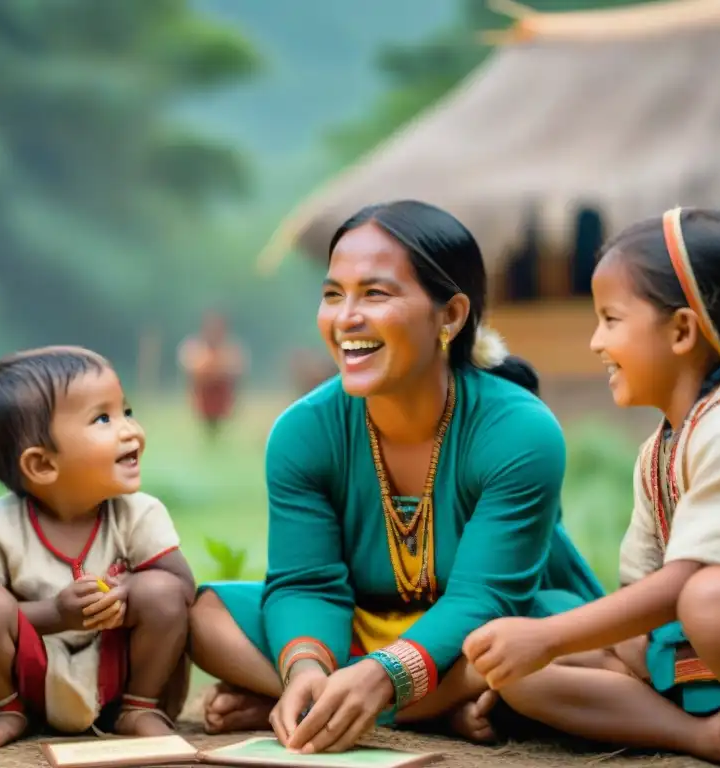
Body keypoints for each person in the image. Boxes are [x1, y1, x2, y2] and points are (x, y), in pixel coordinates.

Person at [189, 199, 605, 754]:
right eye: (333, 294)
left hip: (480, 633)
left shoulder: (519, 431)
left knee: (550, 648)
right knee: (207, 617)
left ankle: (356, 705)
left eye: (375, 293)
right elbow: (307, 583)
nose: (345, 318)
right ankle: (386, 704)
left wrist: (384, 675)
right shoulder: (303, 432)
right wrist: (305, 667)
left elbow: (485, 599)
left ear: (451, 316)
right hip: (358, 632)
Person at [463, 207, 720, 768]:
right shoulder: (663, 448)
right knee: (526, 674)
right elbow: (642, 599)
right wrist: (543, 647)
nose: (597, 341)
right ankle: (705, 736)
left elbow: (684, 587)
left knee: (710, 601)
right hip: (708, 659)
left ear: (680, 331)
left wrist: (552, 637)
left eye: (611, 318)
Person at [0, 346, 195, 751]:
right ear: (41, 465)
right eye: (103, 418)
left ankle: (138, 708)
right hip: (25, 682)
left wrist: (125, 599)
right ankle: (6, 712)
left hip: (116, 680)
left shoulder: (138, 514)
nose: (130, 429)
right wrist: (53, 614)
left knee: (160, 589)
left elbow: (183, 590)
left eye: (126, 411)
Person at [177, 312, 247, 438]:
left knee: (220, 428)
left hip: (223, 399)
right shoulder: (196, 348)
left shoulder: (230, 349)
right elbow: (192, 371)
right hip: (204, 399)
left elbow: (237, 371)